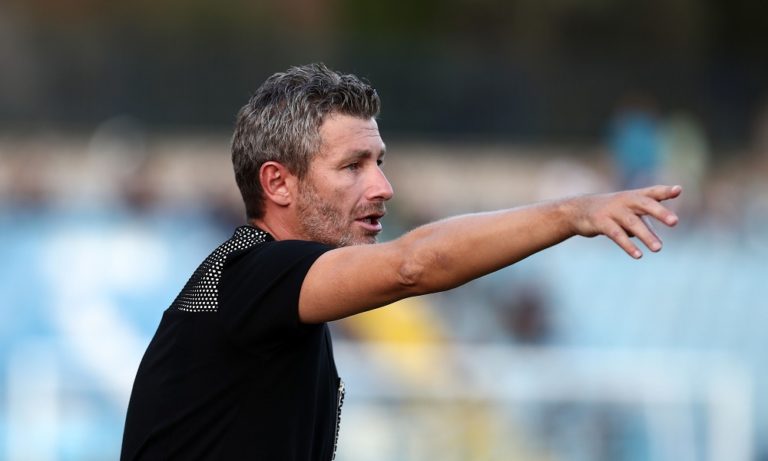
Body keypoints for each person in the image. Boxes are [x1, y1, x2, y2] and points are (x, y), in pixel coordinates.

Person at [120, 63, 682, 460]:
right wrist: (572, 213)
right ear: (278, 183)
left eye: (379, 162)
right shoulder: (250, 273)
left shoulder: (277, 301)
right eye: (353, 166)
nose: (383, 187)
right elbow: (412, 265)